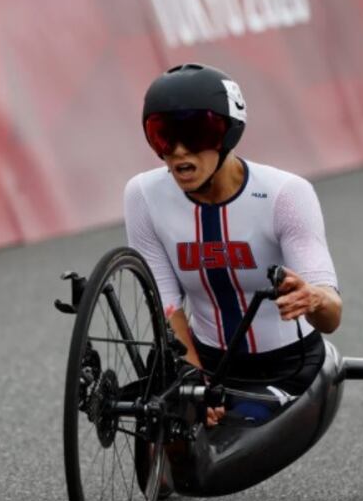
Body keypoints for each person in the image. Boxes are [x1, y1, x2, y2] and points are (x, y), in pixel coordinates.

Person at [124, 63, 341, 427]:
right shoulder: (143, 195)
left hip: (285, 366)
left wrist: (315, 298)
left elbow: (332, 317)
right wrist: (192, 378)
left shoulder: (286, 194)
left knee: (226, 440)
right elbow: (166, 303)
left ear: (228, 134)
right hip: (206, 360)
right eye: (162, 136)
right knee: (165, 436)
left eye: (195, 135)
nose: (178, 151)